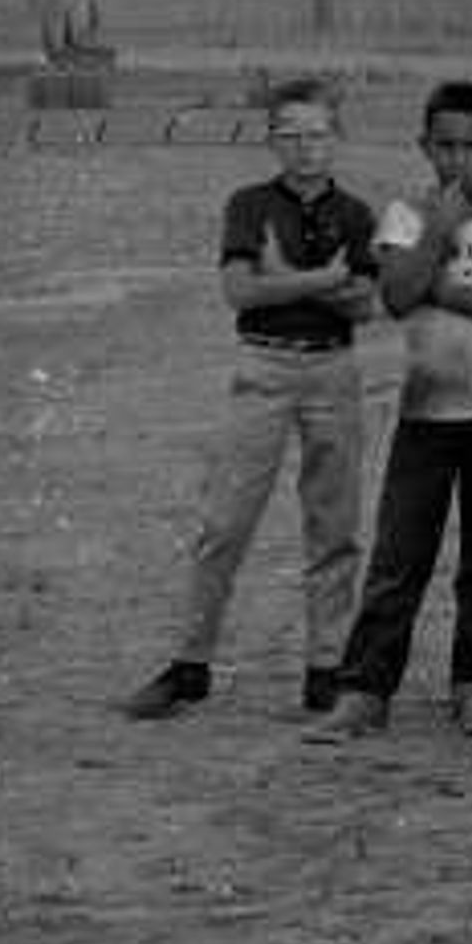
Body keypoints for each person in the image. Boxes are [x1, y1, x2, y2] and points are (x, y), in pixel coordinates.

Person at [120, 76, 378, 718]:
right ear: (271, 141)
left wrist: (283, 279)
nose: (304, 147)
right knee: (225, 522)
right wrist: (320, 278)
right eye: (289, 134)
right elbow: (239, 291)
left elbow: (365, 302)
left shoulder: (357, 215)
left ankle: (325, 665)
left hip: (333, 370)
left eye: (316, 133)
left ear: (335, 138)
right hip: (264, 365)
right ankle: (190, 662)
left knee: (334, 525)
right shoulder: (248, 205)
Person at [323, 81, 472, 739]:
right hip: (427, 417)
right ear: (424, 147)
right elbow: (396, 294)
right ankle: (365, 690)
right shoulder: (405, 215)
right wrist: (439, 234)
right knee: (400, 557)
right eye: (444, 145)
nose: (458, 158)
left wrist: (445, 289)